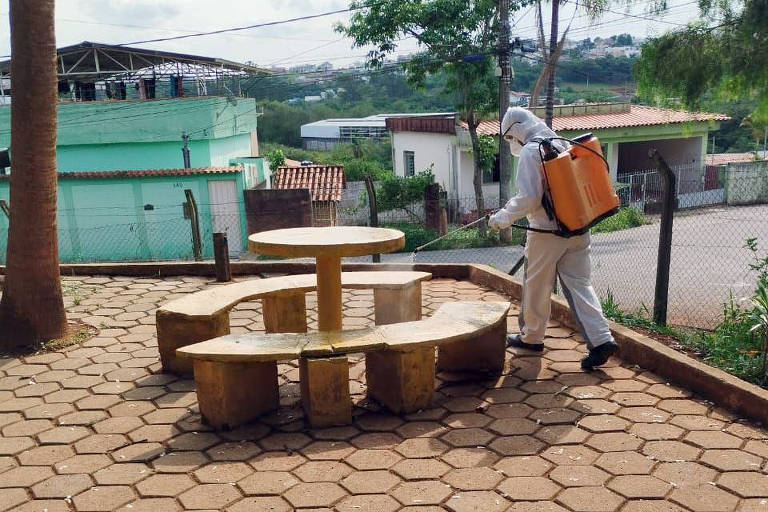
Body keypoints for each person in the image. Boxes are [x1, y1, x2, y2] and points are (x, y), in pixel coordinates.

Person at [488, 107, 618, 371]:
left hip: (546, 233)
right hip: (578, 226)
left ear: (515, 131)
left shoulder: (529, 151)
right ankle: (601, 339)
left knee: (536, 285)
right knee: (580, 284)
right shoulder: (558, 142)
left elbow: (529, 198)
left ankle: (532, 338)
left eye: (509, 138)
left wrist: (501, 218)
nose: (511, 143)